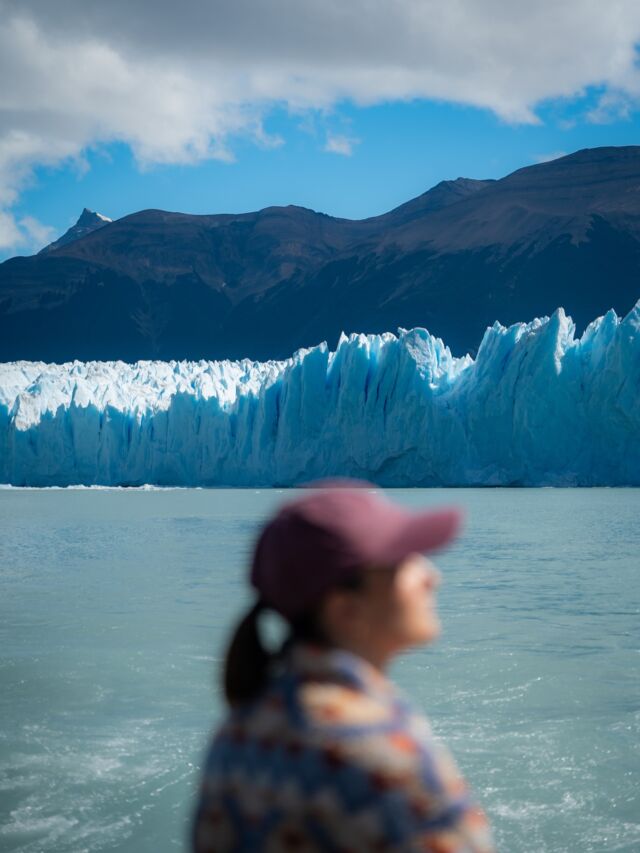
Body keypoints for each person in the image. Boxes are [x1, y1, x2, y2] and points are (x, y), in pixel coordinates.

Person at [193, 482, 494, 852]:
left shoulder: (235, 735)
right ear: (346, 610)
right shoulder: (385, 752)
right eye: (404, 561)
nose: (432, 576)